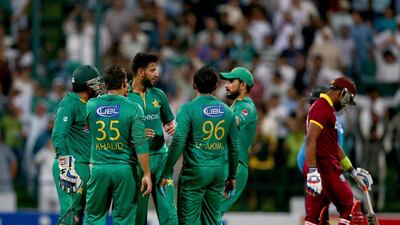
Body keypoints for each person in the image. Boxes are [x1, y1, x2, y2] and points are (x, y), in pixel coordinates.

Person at [159, 65, 239, 225]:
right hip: (218, 173)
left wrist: (166, 171)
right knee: (212, 220)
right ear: (216, 87)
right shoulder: (228, 111)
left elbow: (178, 142)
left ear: (194, 85)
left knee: (189, 221)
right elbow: (234, 147)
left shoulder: (187, 109)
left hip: (195, 172)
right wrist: (231, 176)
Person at [84, 65, 152, 225]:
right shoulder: (134, 108)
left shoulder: (91, 105)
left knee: (94, 218)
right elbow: (140, 144)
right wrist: (147, 173)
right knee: (124, 220)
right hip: (124, 171)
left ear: (105, 85)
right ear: (124, 83)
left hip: (99, 169)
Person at [304, 77, 373, 225]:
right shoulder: (322, 107)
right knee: (350, 209)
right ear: (343, 93)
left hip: (322, 166)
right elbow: (311, 140)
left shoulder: (324, 108)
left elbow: (334, 146)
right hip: (326, 166)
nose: (346, 104)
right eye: (348, 99)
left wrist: (352, 171)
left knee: (314, 218)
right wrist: (312, 171)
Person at [127, 52, 177, 225]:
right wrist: (135, 136)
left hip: (161, 160)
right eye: (152, 70)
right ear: (141, 72)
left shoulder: (159, 95)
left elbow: (170, 123)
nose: (157, 74)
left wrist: (171, 128)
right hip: (137, 162)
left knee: (170, 215)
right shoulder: (124, 96)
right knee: (138, 218)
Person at [51, 65, 104, 224]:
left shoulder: (91, 103)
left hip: (87, 165)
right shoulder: (69, 103)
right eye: (95, 83)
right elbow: (58, 135)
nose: (99, 86)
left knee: (80, 216)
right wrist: (65, 167)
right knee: (70, 213)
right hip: (72, 165)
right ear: (86, 85)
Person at [218, 67, 258, 221]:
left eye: (231, 81)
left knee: (210, 212)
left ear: (243, 85)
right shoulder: (233, 107)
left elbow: (233, 122)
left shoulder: (247, 107)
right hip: (225, 164)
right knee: (207, 213)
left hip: (235, 167)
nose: (226, 85)